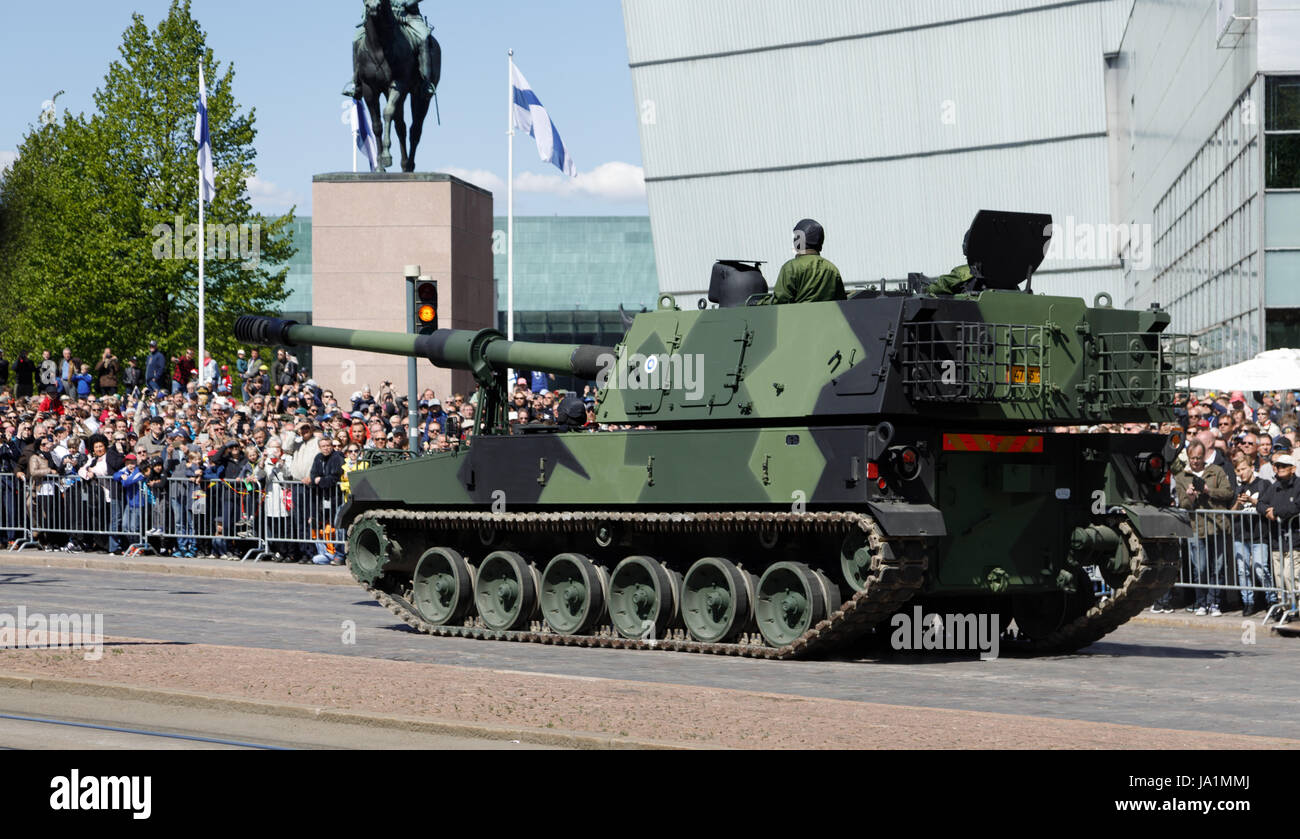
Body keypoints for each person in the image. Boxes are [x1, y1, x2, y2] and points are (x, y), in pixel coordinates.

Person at [1175, 441, 1234, 616]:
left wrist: (1209, 491)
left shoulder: (1216, 471)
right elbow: (1183, 505)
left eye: (1199, 458)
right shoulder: (1181, 477)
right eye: (1192, 458)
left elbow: (1228, 492)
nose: (1195, 461)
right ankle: (1201, 602)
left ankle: (1214, 602)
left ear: (1204, 456)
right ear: (1188, 456)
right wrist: (1190, 497)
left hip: (1217, 525)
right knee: (1199, 567)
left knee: (1218, 566)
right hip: (1195, 527)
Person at [342, 0, 438, 99]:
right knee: (356, 39)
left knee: (423, 37)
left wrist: (407, 2)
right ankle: (357, 84)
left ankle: (425, 82)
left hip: (409, 16)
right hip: (380, 15)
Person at [1230, 453, 1278, 617]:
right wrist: (1238, 502)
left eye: (1244, 469)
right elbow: (1231, 513)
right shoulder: (1237, 487)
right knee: (1243, 571)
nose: (1241, 473)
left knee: (1260, 569)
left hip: (1259, 535)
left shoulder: (1263, 484)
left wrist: (1252, 501)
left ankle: (1271, 600)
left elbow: (1268, 506)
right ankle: (1248, 602)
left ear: (1252, 468)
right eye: (1238, 470)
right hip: (1240, 535)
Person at [758, 219, 846, 305]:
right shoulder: (832, 269)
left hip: (797, 319)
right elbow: (841, 301)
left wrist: (758, 303)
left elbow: (781, 301)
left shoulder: (791, 267)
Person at [1257, 453, 1300, 612]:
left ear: (1292, 468)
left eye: (1283, 466)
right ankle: (1285, 609)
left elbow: (1296, 506)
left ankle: (1298, 608)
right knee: (1279, 578)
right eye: (1278, 466)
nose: (1279, 469)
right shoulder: (1274, 486)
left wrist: (1276, 512)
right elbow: (1260, 503)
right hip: (1276, 540)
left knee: (1291, 577)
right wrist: (1267, 511)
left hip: (1294, 539)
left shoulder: (1298, 485)